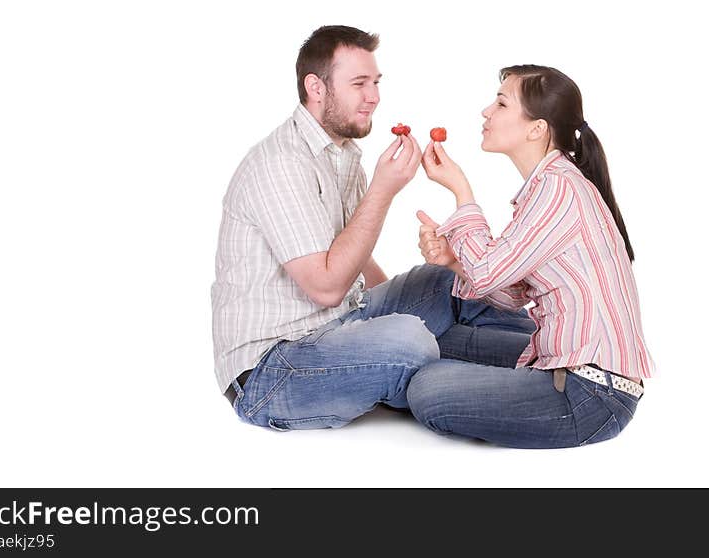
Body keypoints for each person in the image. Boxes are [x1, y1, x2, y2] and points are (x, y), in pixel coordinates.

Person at [211, 26, 535, 431]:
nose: (374, 97)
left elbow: (353, 256)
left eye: (376, 82)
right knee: (409, 340)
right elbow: (327, 286)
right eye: (359, 84)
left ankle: (542, 350)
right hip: (271, 372)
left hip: (336, 324)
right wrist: (384, 191)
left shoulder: (341, 154)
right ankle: (495, 372)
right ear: (316, 87)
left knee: (441, 282)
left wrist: (406, 299)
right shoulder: (281, 164)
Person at [408, 64, 656, 448]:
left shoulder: (559, 188)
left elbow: (489, 275)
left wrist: (461, 192)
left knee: (426, 387)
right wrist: (453, 261)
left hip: (590, 396)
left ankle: (420, 385)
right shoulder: (548, 185)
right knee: (439, 340)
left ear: (536, 128)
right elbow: (510, 296)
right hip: (563, 365)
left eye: (501, 103)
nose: (486, 112)